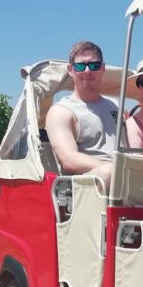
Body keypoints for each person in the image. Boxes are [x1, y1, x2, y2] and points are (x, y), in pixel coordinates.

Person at [44, 41, 119, 189]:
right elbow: (69, 159)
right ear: (71, 70)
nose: (87, 71)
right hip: (89, 187)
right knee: (108, 173)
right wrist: (117, 169)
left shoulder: (116, 105)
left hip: (124, 181)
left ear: (103, 69)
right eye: (80, 66)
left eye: (94, 66)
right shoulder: (61, 111)